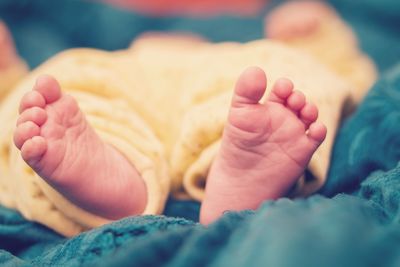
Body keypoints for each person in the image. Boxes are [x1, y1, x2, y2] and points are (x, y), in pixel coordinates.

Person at [0, 1, 376, 236]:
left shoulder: (254, 31)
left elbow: (349, 71)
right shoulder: (92, 38)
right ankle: (112, 173)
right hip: (126, 80)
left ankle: (232, 170)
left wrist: (315, 31)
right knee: (55, 97)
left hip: (223, 77)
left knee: (289, 76)